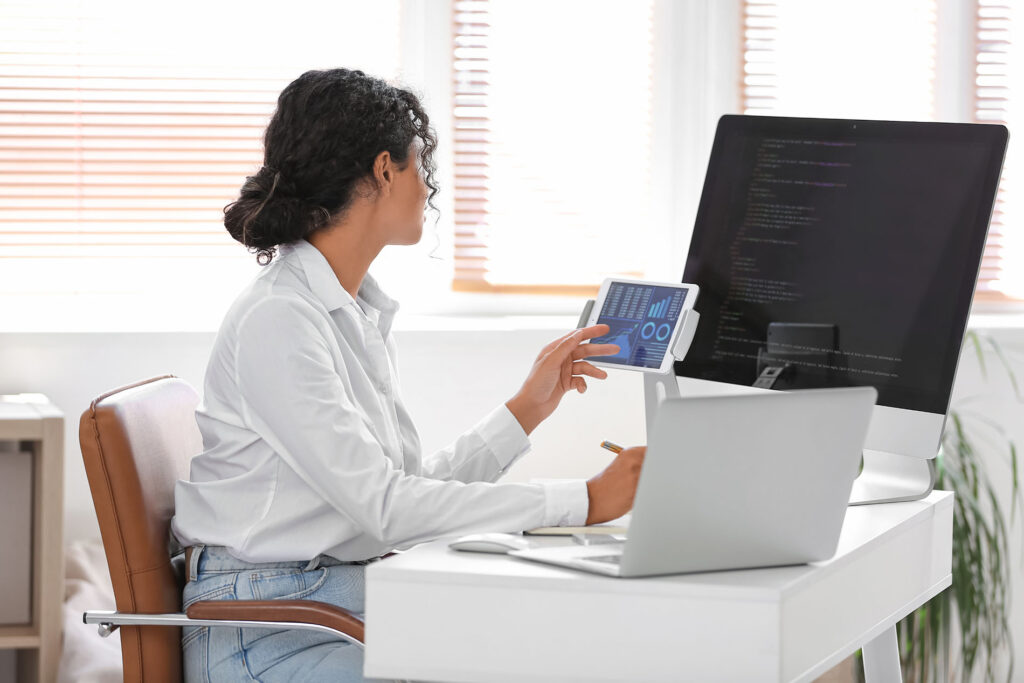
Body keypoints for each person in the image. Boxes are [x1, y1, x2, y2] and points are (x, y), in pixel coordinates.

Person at [171, 68, 646, 683]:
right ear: (384, 170)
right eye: (421, 165)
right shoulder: (279, 319)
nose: (429, 187)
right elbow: (389, 508)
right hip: (270, 626)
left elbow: (399, 490)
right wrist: (582, 501)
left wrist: (527, 408)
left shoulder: (348, 309)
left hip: (331, 600)